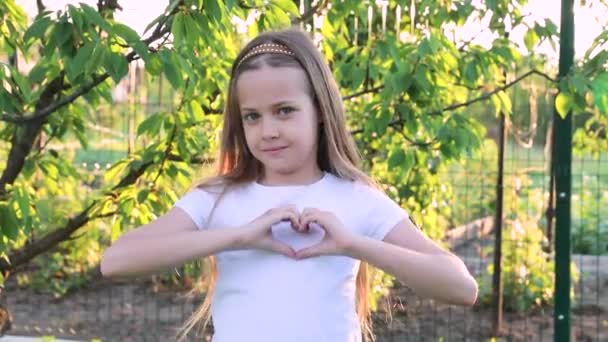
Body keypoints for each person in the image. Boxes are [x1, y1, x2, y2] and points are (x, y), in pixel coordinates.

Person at [100, 28, 478, 342]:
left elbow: (461, 287)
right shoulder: (215, 200)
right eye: (252, 116)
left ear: (319, 111)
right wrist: (238, 236)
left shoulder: (356, 199)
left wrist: (353, 244)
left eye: (285, 110)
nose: (269, 131)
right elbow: (116, 261)